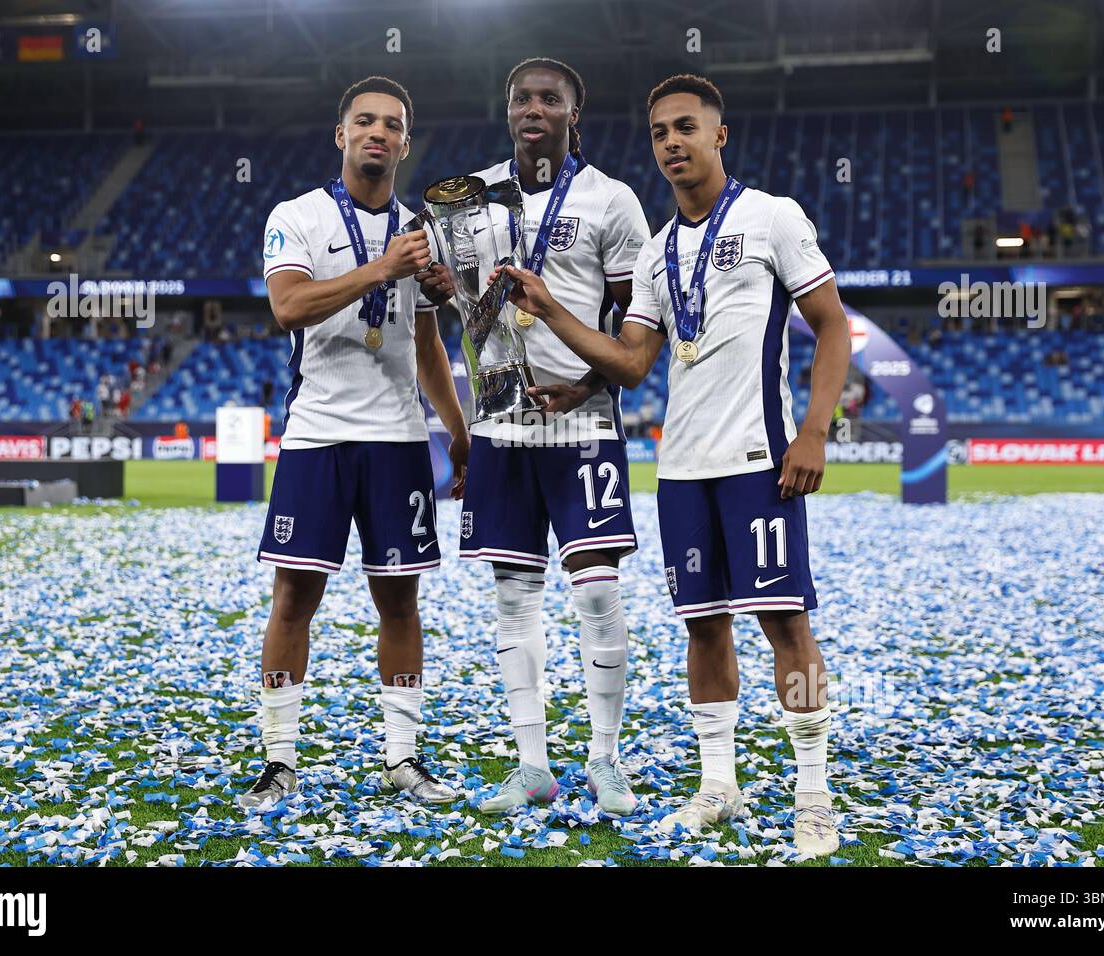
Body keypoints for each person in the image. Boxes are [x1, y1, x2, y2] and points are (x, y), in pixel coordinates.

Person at [491, 74, 850, 855]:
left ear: (719, 135)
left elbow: (832, 328)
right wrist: (555, 318)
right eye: (659, 133)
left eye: (687, 127)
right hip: (682, 470)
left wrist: (816, 430)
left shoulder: (772, 219)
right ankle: (719, 784)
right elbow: (631, 362)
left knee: (786, 625)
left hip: (760, 459)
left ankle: (814, 794)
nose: (672, 143)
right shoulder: (656, 251)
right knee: (704, 629)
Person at [241, 76, 468, 809]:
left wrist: (457, 430)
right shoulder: (297, 216)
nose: (378, 132)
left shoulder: (424, 232)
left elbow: (429, 344)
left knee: (399, 604)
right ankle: (279, 761)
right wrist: (381, 269)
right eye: (364, 121)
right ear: (340, 135)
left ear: (406, 143)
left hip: (399, 440)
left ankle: (402, 759)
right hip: (318, 436)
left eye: (392, 124)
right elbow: (288, 305)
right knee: (293, 598)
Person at [460, 57, 651, 816]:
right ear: (507, 112)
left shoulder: (613, 201)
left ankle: (605, 757)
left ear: (577, 111)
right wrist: (452, 294)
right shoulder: (469, 202)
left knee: (598, 593)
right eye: (520, 99)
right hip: (502, 428)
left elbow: (641, 327)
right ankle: (532, 763)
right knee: (515, 597)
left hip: (583, 424)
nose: (533, 108)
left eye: (549, 98)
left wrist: (590, 384)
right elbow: (469, 316)